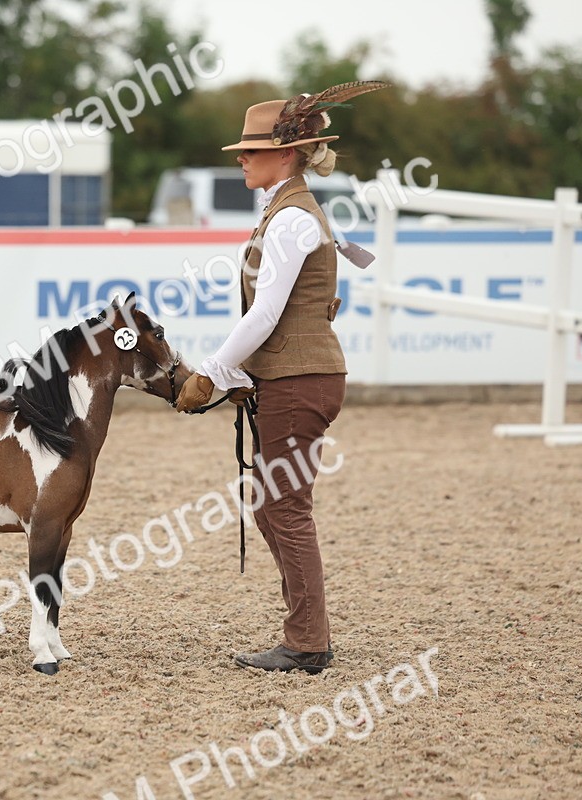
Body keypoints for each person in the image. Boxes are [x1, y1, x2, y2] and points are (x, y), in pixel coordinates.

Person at [175, 81, 389, 674]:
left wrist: (214, 373)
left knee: (285, 506)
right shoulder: (285, 211)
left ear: (286, 154)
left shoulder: (292, 219)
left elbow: (265, 314)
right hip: (293, 377)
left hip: (301, 380)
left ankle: (307, 641)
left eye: (251, 149)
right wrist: (241, 375)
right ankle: (305, 632)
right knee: (272, 506)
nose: (241, 158)